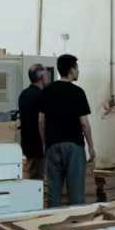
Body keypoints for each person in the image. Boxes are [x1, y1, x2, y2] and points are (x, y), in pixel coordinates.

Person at [37, 54, 95, 207]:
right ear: (71, 70)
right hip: (74, 146)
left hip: (53, 145)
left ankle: (52, 220)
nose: (78, 71)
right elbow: (84, 123)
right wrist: (91, 146)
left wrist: (45, 143)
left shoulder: (47, 91)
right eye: (77, 68)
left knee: (53, 194)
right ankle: (76, 221)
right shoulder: (78, 92)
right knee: (76, 195)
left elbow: (41, 120)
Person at [16, 64, 48, 185]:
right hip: (38, 144)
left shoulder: (23, 94)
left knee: (31, 175)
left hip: (27, 143)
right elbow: (41, 121)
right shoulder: (42, 95)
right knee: (38, 179)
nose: (48, 78)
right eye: (46, 75)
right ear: (41, 78)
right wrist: (44, 143)